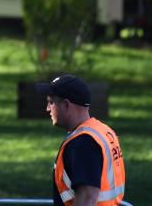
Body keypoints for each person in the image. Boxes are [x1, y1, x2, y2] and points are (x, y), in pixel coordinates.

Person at [37, 74, 126, 206]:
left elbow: (88, 198)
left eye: (51, 102)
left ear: (66, 105)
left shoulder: (82, 144)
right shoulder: (102, 131)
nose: (47, 108)